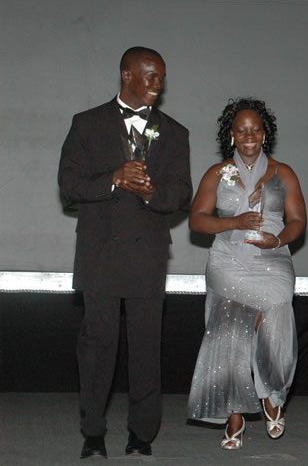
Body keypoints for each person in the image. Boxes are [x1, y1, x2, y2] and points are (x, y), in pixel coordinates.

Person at [58, 47, 192, 459]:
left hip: (147, 255)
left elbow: (181, 193)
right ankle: (93, 433)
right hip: (99, 254)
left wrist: (154, 194)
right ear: (126, 75)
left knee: (146, 349)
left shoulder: (173, 131)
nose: (158, 84)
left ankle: (141, 435)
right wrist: (113, 178)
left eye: (162, 78)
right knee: (97, 349)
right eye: (151, 76)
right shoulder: (87, 123)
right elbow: (69, 185)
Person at [187, 98, 305, 449]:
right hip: (228, 260)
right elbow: (197, 220)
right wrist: (233, 222)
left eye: (255, 129)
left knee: (277, 309)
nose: (249, 136)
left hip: (272, 258)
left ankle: (271, 393)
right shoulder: (217, 173)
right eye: (241, 130)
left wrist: (278, 239)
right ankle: (235, 415)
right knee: (230, 325)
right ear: (232, 135)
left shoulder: (284, 173)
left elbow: (298, 221)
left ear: (265, 133)